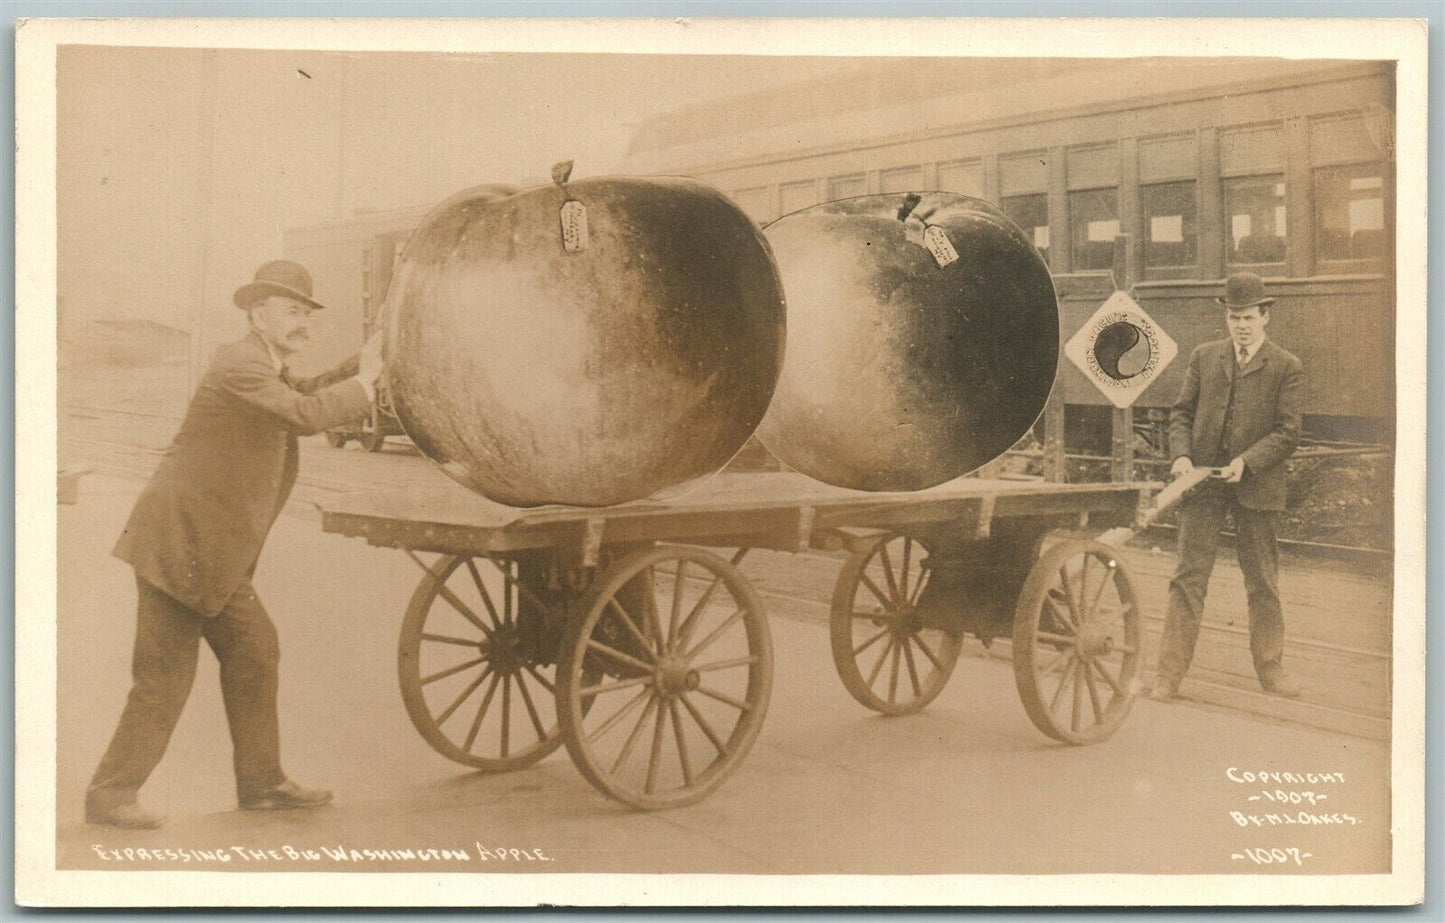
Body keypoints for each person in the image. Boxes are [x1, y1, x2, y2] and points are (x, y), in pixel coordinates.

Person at [86, 260, 383, 828]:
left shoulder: (262, 365)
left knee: (255, 652)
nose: (303, 324)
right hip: (182, 547)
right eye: (292, 312)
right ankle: (110, 795)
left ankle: (263, 783)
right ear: (257, 313)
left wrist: (366, 361)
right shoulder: (240, 364)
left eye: (306, 314)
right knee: (164, 678)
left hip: (208, 551)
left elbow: (307, 390)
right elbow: (301, 413)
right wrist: (366, 385)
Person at [1151, 272, 1304, 703]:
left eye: (1248, 317)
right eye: (1234, 317)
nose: (1240, 325)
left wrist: (1246, 462)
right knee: (1188, 579)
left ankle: (1271, 671)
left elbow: (1288, 432)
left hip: (1255, 486)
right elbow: (1181, 413)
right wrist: (1181, 457)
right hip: (1203, 484)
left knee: (1262, 582)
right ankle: (1168, 675)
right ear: (1226, 316)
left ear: (1265, 316)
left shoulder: (1286, 366)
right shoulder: (1204, 358)